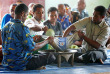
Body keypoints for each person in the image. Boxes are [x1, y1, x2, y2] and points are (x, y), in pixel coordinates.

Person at [1, 4, 55, 71]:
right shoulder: (22, 27)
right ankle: (30, 68)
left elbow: (14, 42)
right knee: (50, 56)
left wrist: (32, 39)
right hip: (21, 64)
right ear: (23, 14)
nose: (26, 17)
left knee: (35, 56)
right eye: (26, 15)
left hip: (7, 64)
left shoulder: (6, 26)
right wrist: (47, 40)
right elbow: (33, 47)